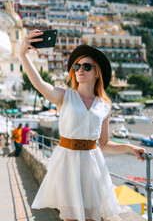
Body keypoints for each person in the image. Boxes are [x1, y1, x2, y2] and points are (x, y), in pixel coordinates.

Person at [20, 30, 146, 221]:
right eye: (77, 66)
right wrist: (22, 53)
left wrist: (130, 147)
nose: (80, 69)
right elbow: (39, 84)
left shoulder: (105, 105)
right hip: (67, 164)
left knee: (91, 218)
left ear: (97, 72)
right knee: (71, 218)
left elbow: (103, 144)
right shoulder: (64, 96)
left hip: (93, 165)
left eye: (87, 66)